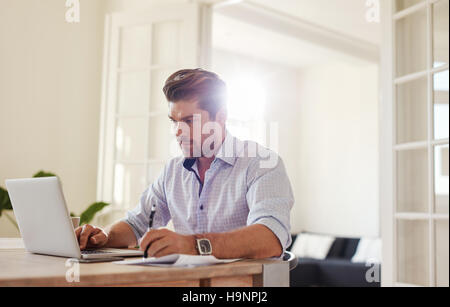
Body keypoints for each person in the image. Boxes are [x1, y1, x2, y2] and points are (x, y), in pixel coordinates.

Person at [76, 68, 294, 259]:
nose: (177, 131)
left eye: (189, 120)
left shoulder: (261, 163)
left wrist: (192, 245)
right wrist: (103, 237)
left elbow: (270, 237)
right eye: (174, 121)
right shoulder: (173, 171)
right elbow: (136, 224)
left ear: (220, 117)